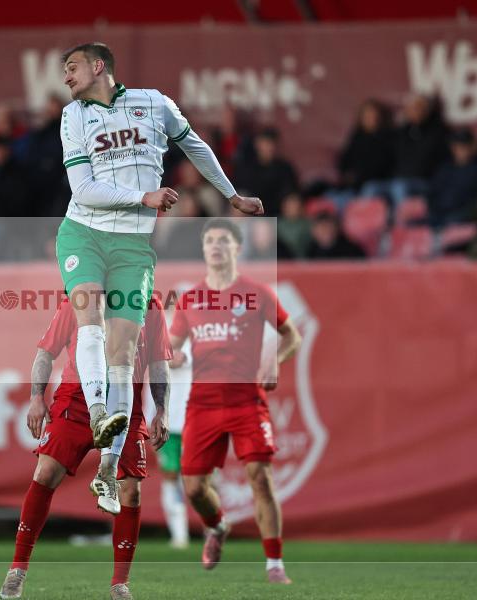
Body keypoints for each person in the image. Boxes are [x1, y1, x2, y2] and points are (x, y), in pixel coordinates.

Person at [55, 42, 263, 512]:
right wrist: (144, 197)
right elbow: (83, 189)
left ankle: (107, 471)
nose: (66, 76)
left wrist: (231, 197)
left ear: (98, 66)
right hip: (84, 233)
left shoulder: (155, 103)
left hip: (133, 246)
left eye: (71, 67)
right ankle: (98, 411)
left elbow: (196, 146)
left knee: (124, 350)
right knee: (89, 316)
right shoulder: (73, 117)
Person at [0, 296, 171, 600]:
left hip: (125, 404)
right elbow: (45, 353)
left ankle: (120, 585)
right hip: (76, 400)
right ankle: (17, 570)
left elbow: (159, 362)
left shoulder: (150, 302)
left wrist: (162, 409)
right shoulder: (81, 294)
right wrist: (36, 397)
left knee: (131, 489)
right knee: (46, 471)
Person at [169, 218, 302, 585]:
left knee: (260, 476)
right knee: (194, 487)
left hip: (246, 401)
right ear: (203, 249)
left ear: (236, 248)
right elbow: (173, 347)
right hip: (203, 403)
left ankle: (274, 564)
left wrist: (275, 358)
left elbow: (293, 336)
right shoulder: (190, 299)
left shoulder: (257, 293)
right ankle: (217, 526)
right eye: (209, 240)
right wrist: (171, 356)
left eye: (222, 240)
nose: (215, 246)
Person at [159, 300, 192, 549]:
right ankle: (179, 535)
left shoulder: (206, 333)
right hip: (169, 418)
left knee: (200, 477)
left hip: (198, 418)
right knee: (170, 475)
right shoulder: (162, 330)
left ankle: (213, 527)